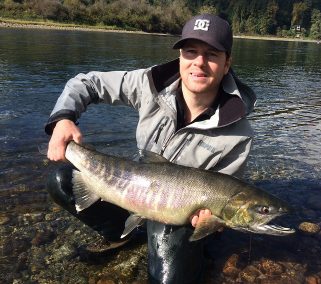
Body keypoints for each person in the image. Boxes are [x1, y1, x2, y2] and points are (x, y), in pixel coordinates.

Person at [45, 14, 256, 283]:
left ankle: (183, 251)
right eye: (191, 51)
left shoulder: (239, 135)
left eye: (211, 54)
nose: (199, 63)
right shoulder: (150, 84)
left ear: (227, 64)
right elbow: (86, 83)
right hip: (133, 190)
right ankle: (121, 235)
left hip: (176, 215)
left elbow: (227, 195)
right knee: (61, 181)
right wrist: (63, 119)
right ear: (180, 56)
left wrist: (210, 222)